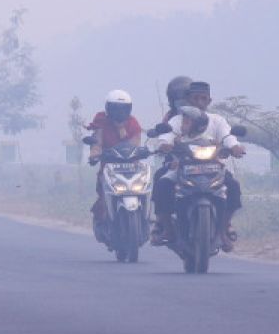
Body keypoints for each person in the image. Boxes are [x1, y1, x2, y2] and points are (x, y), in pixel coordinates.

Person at [150, 81, 246, 252]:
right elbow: (167, 135)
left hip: (214, 167)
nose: (200, 102)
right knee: (163, 184)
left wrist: (235, 147)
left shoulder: (217, 120)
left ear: (209, 100)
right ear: (188, 99)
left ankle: (224, 228)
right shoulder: (177, 120)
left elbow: (227, 137)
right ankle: (167, 228)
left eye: (204, 98)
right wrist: (165, 144)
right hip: (182, 168)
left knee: (233, 187)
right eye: (196, 98)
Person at [87, 90, 143, 233]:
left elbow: (135, 144)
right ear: (108, 108)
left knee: (142, 188)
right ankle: (104, 219)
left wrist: (121, 129)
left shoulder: (133, 123)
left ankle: (143, 216)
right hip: (109, 167)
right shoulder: (101, 120)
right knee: (102, 191)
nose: (119, 113)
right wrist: (94, 154)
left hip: (131, 167)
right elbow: (97, 142)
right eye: (115, 109)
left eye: (123, 109)